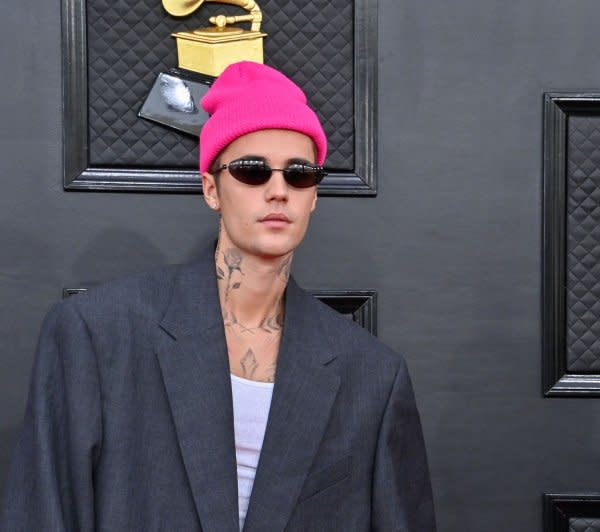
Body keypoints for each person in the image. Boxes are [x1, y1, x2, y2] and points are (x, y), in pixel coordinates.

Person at [1, 61, 436, 531]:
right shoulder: (97, 334)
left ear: (314, 196)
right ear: (211, 188)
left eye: (299, 174)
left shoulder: (370, 375)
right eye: (251, 171)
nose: (277, 191)